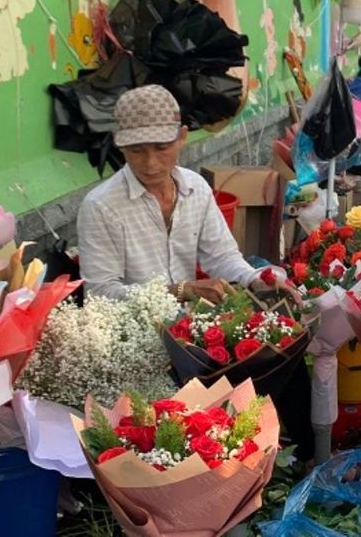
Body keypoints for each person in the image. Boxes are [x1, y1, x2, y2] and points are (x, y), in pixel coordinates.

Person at [77, 84, 314, 459]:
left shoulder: (196, 189)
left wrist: (263, 279)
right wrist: (181, 290)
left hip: (192, 332)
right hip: (139, 343)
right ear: (119, 146)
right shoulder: (101, 206)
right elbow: (101, 294)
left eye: (162, 148)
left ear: (182, 137)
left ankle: (295, 463)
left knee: (286, 359)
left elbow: (224, 258)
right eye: (137, 150)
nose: (151, 162)